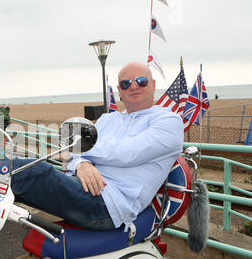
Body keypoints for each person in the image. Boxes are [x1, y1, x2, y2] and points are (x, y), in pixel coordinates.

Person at [10, 62, 184, 231]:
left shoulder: (169, 122)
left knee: (30, 171)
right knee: (5, 179)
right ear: (119, 91)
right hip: (84, 188)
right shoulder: (108, 119)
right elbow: (73, 153)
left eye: (141, 81)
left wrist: (81, 151)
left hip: (111, 204)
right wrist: (81, 164)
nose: (133, 87)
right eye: (125, 83)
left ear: (153, 85)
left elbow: (128, 153)